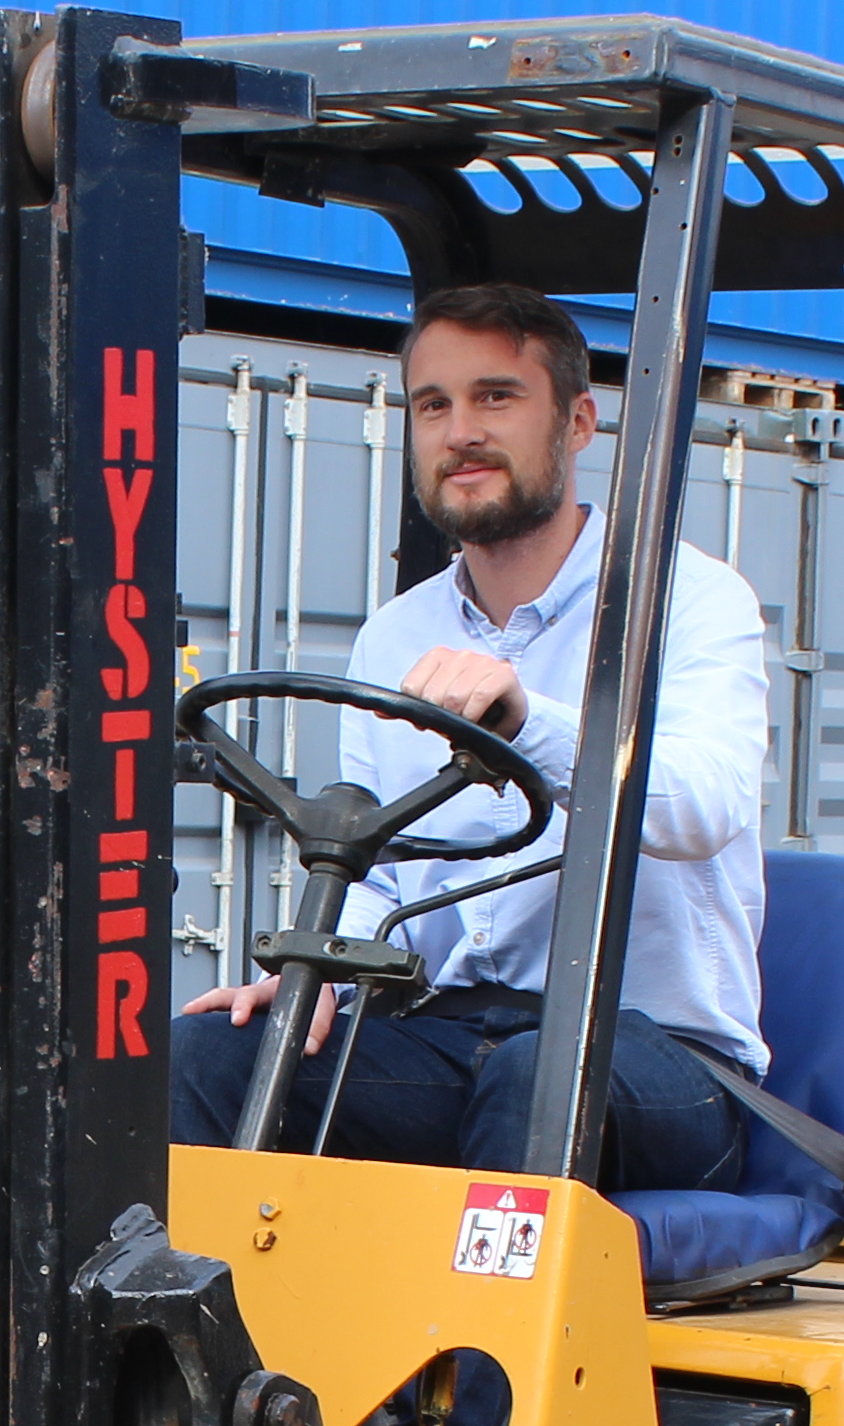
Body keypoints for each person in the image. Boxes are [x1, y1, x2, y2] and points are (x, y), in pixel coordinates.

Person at [170, 281, 774, 1188]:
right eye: (434, 405)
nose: (461, 433)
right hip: (454, 1035)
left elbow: (705, 806)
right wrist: (317, 979)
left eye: (496, 397)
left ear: (576, 423)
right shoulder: (397, 634)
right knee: (209, 1053)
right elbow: (384, 869)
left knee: (539, 1080)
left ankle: (481, 1340)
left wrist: (530, 721)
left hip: (663, 1062)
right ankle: (212, 1331)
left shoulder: (685, 598)